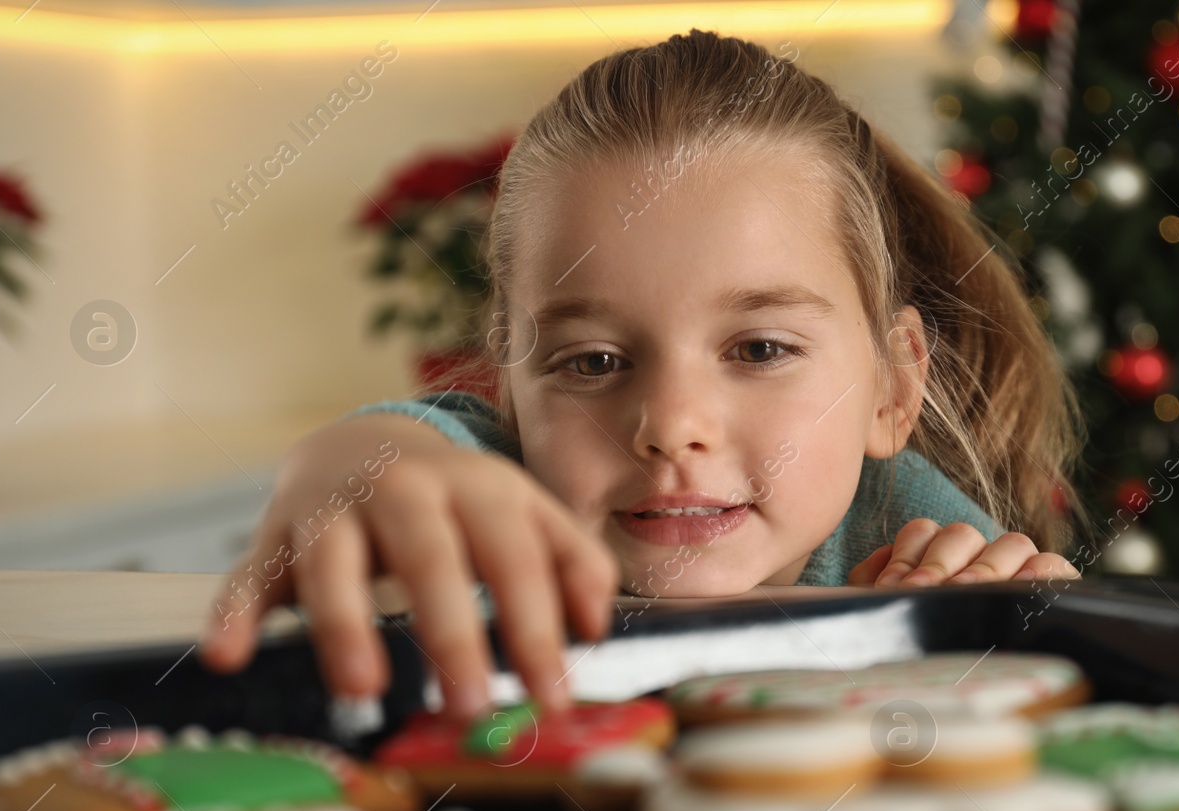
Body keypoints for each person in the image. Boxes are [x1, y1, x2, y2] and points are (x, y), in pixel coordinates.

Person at [199, 30, 1085, 723]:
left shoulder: (915, 539)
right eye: (592, 362)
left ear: (891, 390)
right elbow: (399, 465)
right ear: (510, 392)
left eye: (760, 349)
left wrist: (996, 643)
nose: (671, 424)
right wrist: (361, 458)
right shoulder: (500, 497)